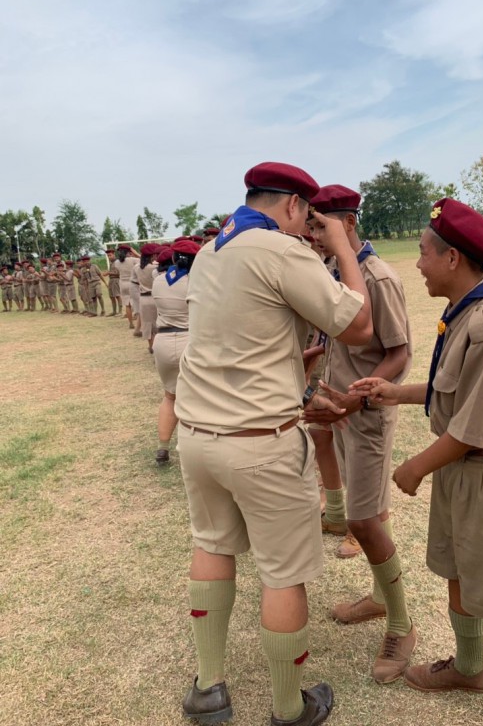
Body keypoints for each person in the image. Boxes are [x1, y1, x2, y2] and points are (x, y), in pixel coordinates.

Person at [174, 161, 372, 726]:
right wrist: (342, 246)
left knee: (212, 547)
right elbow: (359, 325)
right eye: (307, 218)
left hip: (199, 436)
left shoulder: (210, 251)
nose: (308, 228)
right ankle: (289, 706)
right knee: (283, 574)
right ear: (291, 205)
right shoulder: (282, 251)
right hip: (260, 441)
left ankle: (208, 687)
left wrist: (287, 361)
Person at [352, 198, 483, 725]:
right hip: (463, 469)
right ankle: (469, 667)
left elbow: (474, 427)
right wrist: (395, 393)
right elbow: (455, 393)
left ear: (452, 258)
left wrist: (415, 466)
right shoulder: (463, 312)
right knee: (458, 569)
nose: (417, 264)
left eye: (423, 253)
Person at [304, 184, 415, 684]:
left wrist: (359, 397)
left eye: (320, 224)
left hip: (367, 413)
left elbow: (399, 352)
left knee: (364, 520)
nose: (313, 233)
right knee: (367, 514)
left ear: (348, 222)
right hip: (344, 411)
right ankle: (378, 596)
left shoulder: (377, 277)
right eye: (310, 225)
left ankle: (402, 624)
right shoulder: (336, 273)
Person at [151, 242, 196, 464]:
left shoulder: (158, 281)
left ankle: (163, 447)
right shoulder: (195, 281)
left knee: (170, 396)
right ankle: (192, 447)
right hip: (190, 339)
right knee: (197, 397)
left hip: (163, 340)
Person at [138, 244, 159, 353]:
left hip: (143, 298)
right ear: (152, 256)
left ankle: (151, 346)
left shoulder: (137, 268)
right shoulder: (155, 268)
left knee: (147, 324)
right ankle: (158, 346)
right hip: (155, 297)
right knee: (157, 323)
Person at [104, 249, 122, 316]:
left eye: (110, 255)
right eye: (108, 256)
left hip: (116, 280)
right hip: (111, 280)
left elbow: (119, 273)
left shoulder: (118, 262)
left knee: (117, 295)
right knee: (111, 296)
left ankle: (120, 311)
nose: (109, 257)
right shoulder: (111, 263)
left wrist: (109, 273)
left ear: (114, 254)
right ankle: (114, 311)